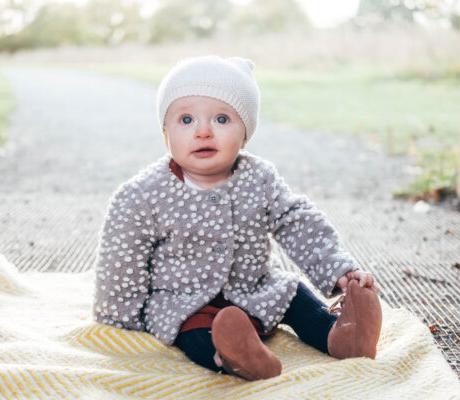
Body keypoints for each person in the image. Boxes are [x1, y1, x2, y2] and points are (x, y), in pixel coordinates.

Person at [93, 55, 382, 381]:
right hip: (186, 301)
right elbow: (121, 258)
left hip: (256, 286)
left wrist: (338, 268)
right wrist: (119, 318)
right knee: (195, 331)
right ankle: (232, 356)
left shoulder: (260, 178)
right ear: (165, 134)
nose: (203, 132)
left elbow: (297, 220)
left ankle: (342, 336)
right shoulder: (143, 195)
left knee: (293, 295)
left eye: (221, 119)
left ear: (245, 135)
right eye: (186, 120)